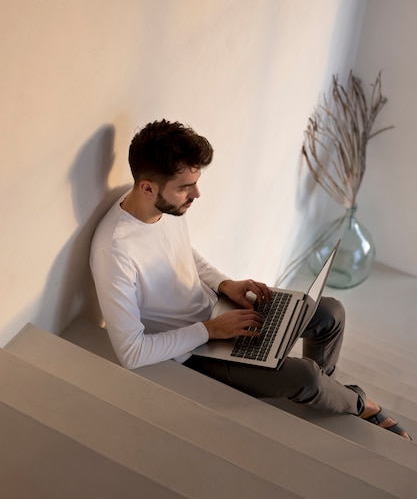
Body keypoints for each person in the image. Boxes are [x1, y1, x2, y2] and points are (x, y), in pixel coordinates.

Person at [90, 119, 411, 440]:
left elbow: (183, 251)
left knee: (331, 313)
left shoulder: (161, 205)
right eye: (186, 187)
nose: (197, 194)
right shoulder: (114, 250)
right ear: (147, 187)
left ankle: (325, 397)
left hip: (218, 312)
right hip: (193, 351)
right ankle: (355, 401)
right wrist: (210, 330)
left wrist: (224, 284)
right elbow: (131, 352)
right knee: (307, 378)